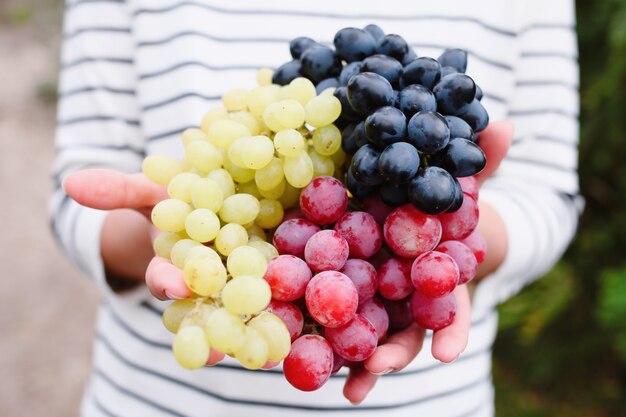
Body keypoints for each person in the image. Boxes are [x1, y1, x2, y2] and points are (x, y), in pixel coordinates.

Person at [51, 0, 581, 416]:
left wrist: (446, 231)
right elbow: (71, 206)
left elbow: (548, 200)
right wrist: (159, 239)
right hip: (154, 400)